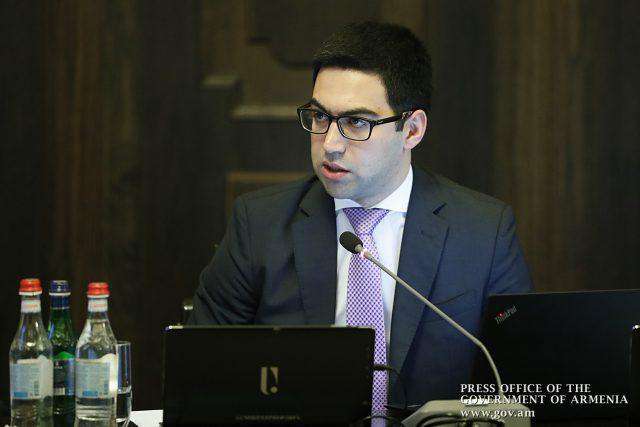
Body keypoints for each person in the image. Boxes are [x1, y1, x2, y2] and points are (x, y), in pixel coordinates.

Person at [190, 21, 532, 414]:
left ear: (412, 130)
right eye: (320, 117)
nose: (330, 144)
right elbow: (202, 373)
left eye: (356, 122)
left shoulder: (483, 233)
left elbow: (518, 384)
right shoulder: (259, 225)